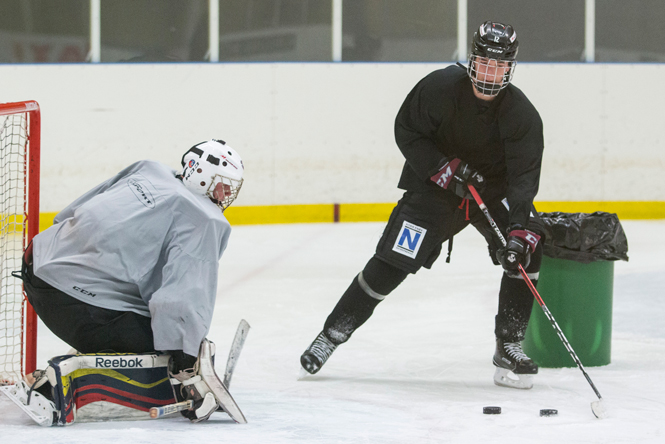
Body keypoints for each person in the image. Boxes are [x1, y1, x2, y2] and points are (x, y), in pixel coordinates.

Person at [300, 21, 547, 389]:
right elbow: (407, 129)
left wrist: (518, 229)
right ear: (472, 60)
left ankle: (508, 346)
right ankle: (331, 335)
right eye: (484, 63)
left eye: (498, 66)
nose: (489, 74)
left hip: (491, 193)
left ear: (510, 69)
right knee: (391, 263)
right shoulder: (439, 88)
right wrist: (443, 169)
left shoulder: (522, 115)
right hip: (436, 189)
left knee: (526, 249)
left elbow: (523, 178)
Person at [18, 139, 244, 421]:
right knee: (165, 343)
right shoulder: (205, 218)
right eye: (223, 185)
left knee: (143, 314)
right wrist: (185, 364)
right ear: (203, 178)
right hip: (73, 300)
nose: (226, 194)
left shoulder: (149, 169)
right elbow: (181, 299)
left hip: (39, 263)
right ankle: (59, 383)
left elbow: (72, 211)